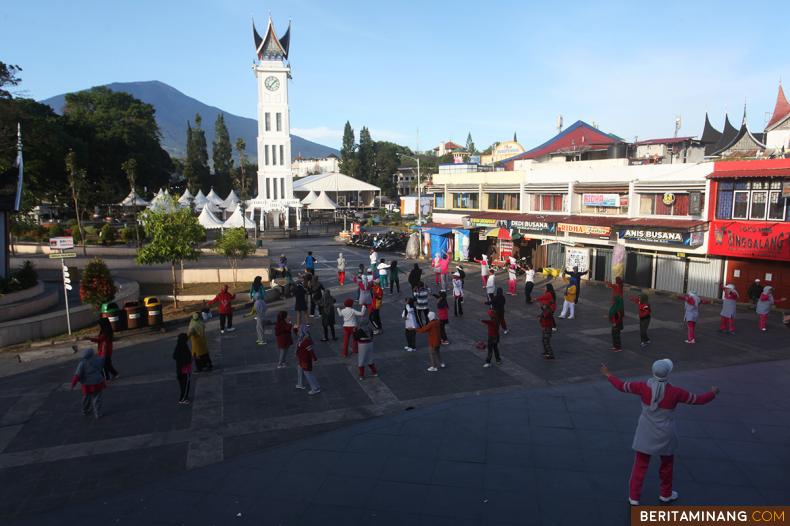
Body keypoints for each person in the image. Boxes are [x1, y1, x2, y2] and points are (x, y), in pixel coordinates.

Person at [600, 360, 719, 506]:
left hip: (645, 432)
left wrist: (608, 374)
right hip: (666, 434)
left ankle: (634, 496)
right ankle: (665, 494)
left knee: (640, 465)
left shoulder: (642, 387)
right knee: (667, 466)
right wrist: (712, 393)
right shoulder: (676, 392)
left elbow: (621, 386)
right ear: (669, 373)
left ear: (653, 371)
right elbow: (698, 400)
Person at [70, 346, 106, 418]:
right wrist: (103, 350)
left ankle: (85, 410)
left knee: (86, 397)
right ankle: (97, 413)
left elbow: (77, 375)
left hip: (87, 384)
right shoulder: (98, 360)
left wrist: (73, 385)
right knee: (97, 398)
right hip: (97, 382)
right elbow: (103, 357)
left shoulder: (82, 363)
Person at [295, 324, 321, 395]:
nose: (298, 331)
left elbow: (311, 351)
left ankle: (315, 388)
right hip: (302, 359)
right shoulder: (302, 338)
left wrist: (315, 359)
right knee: (302, 370)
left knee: (308, 374)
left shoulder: (306, 341)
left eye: (299, 330)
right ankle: (301, 384)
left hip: (305, 360)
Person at [172, 333, 192, 404]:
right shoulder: (184, 346)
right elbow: (188, 357)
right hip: (185, 368)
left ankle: (183, 396)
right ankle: (183, 398)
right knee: (186, 383)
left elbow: (174, 356)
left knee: (182, 384)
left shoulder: (178, 346)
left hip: (179, 368)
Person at [250, 276, 267, 345]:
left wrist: (251, 296)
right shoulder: (261, 285)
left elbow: (251, 291)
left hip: (256, 299)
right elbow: (263, 292)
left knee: (259, 327)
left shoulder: (252, 284)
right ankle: (260, 339)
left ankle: (260, 339)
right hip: (260, 300)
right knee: (260, 327)